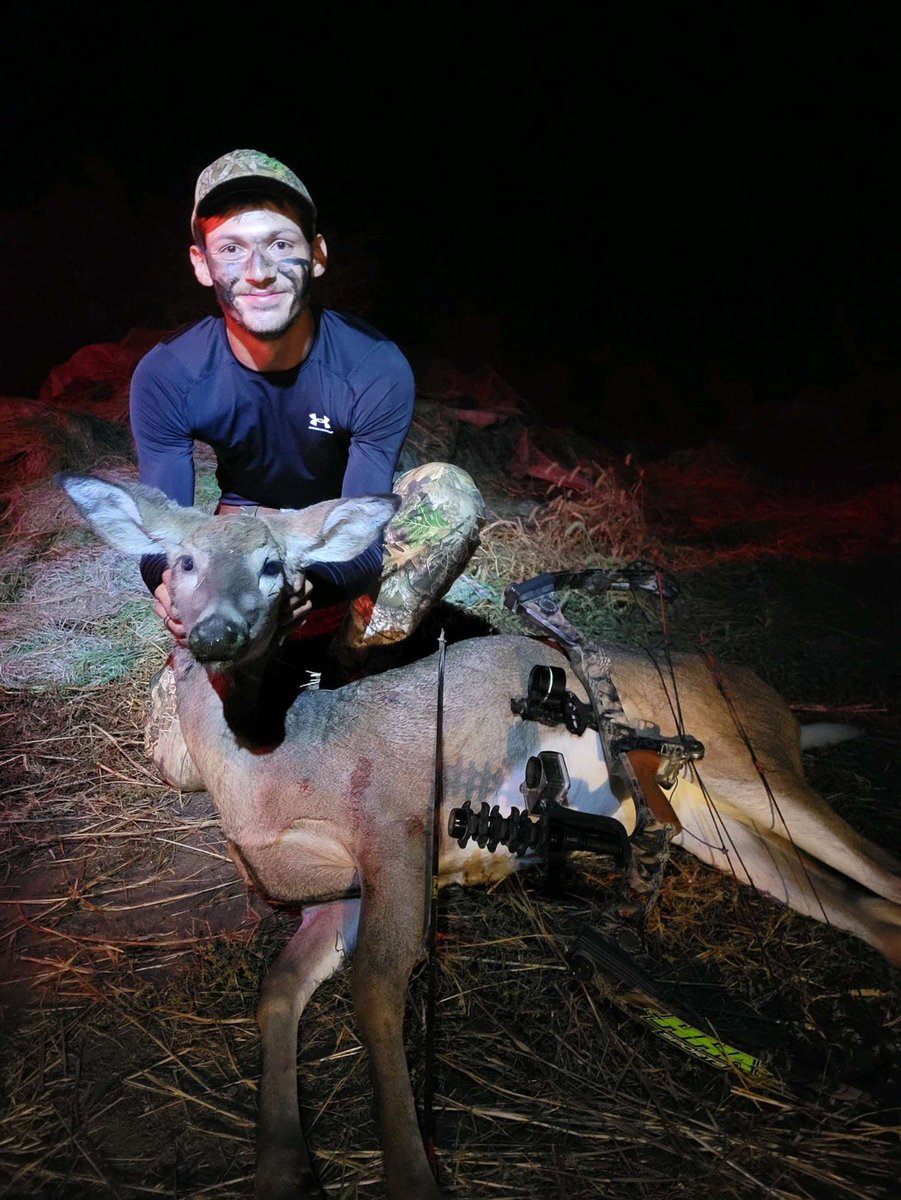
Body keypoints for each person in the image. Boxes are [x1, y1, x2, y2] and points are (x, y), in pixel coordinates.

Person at [130, 148, 485, 788]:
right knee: (184, 769)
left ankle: (353, 659)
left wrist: (305, 590)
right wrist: (167, 582)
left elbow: (363, 534)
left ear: (317, 254)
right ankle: (243, 661)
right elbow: (162, 524)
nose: (258, 271)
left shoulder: (373, 366)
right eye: (231, 248)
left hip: (335, 532)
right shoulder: (168, 374)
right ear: (201, 265)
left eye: (279, 244)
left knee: (448, 495)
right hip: (244, 537)